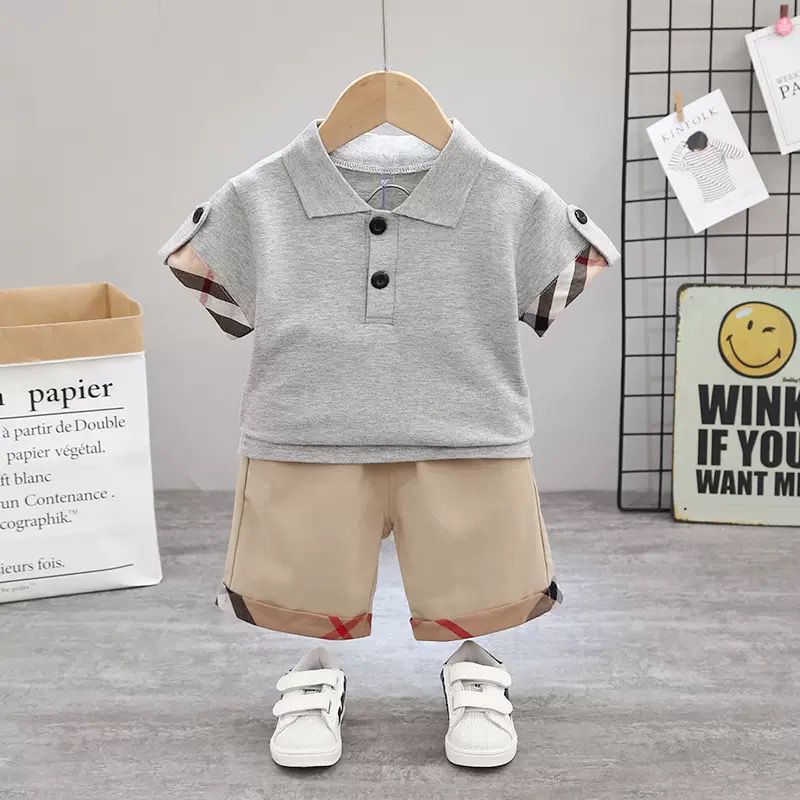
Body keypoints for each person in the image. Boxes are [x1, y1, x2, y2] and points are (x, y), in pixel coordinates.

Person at [668, 130, 744, 203]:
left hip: (731, 193)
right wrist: (681, 145)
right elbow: (672, 165)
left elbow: (738, 154)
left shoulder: (715, 149)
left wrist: (714, 141)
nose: (701, 152)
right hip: (711, 200)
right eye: (697, 149)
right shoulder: (689, 157)